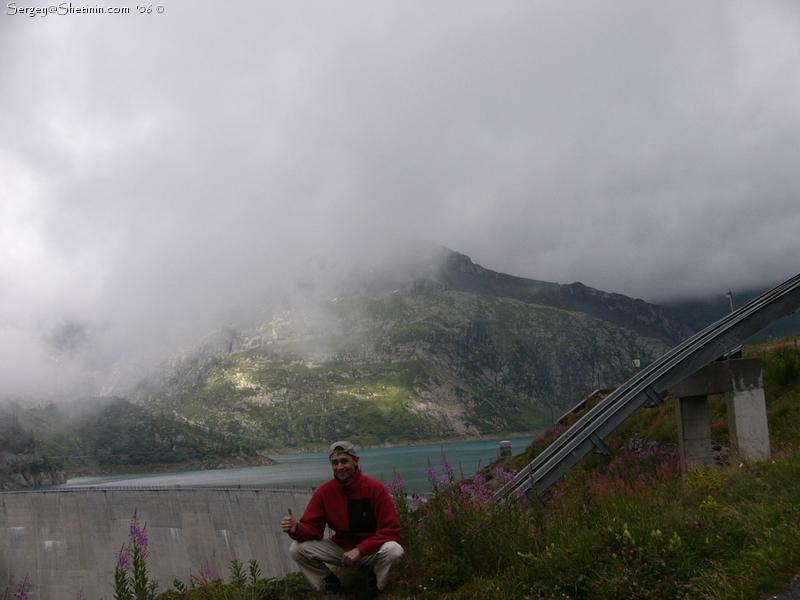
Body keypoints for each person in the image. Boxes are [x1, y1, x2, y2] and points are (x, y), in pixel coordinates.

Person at [281, 441, 404, 596]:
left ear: (356, 461)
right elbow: (314, 528)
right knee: (297, 549)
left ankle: (376, 587)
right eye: (335, 462)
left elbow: (391, 529)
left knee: (394, 550)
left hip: (369, 551)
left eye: (344, 461)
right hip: (342, 550)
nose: (340, 467)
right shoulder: (324, 493)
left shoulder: (374, 489)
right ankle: (330, 587)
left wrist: (360, 549)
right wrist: (296, 529)